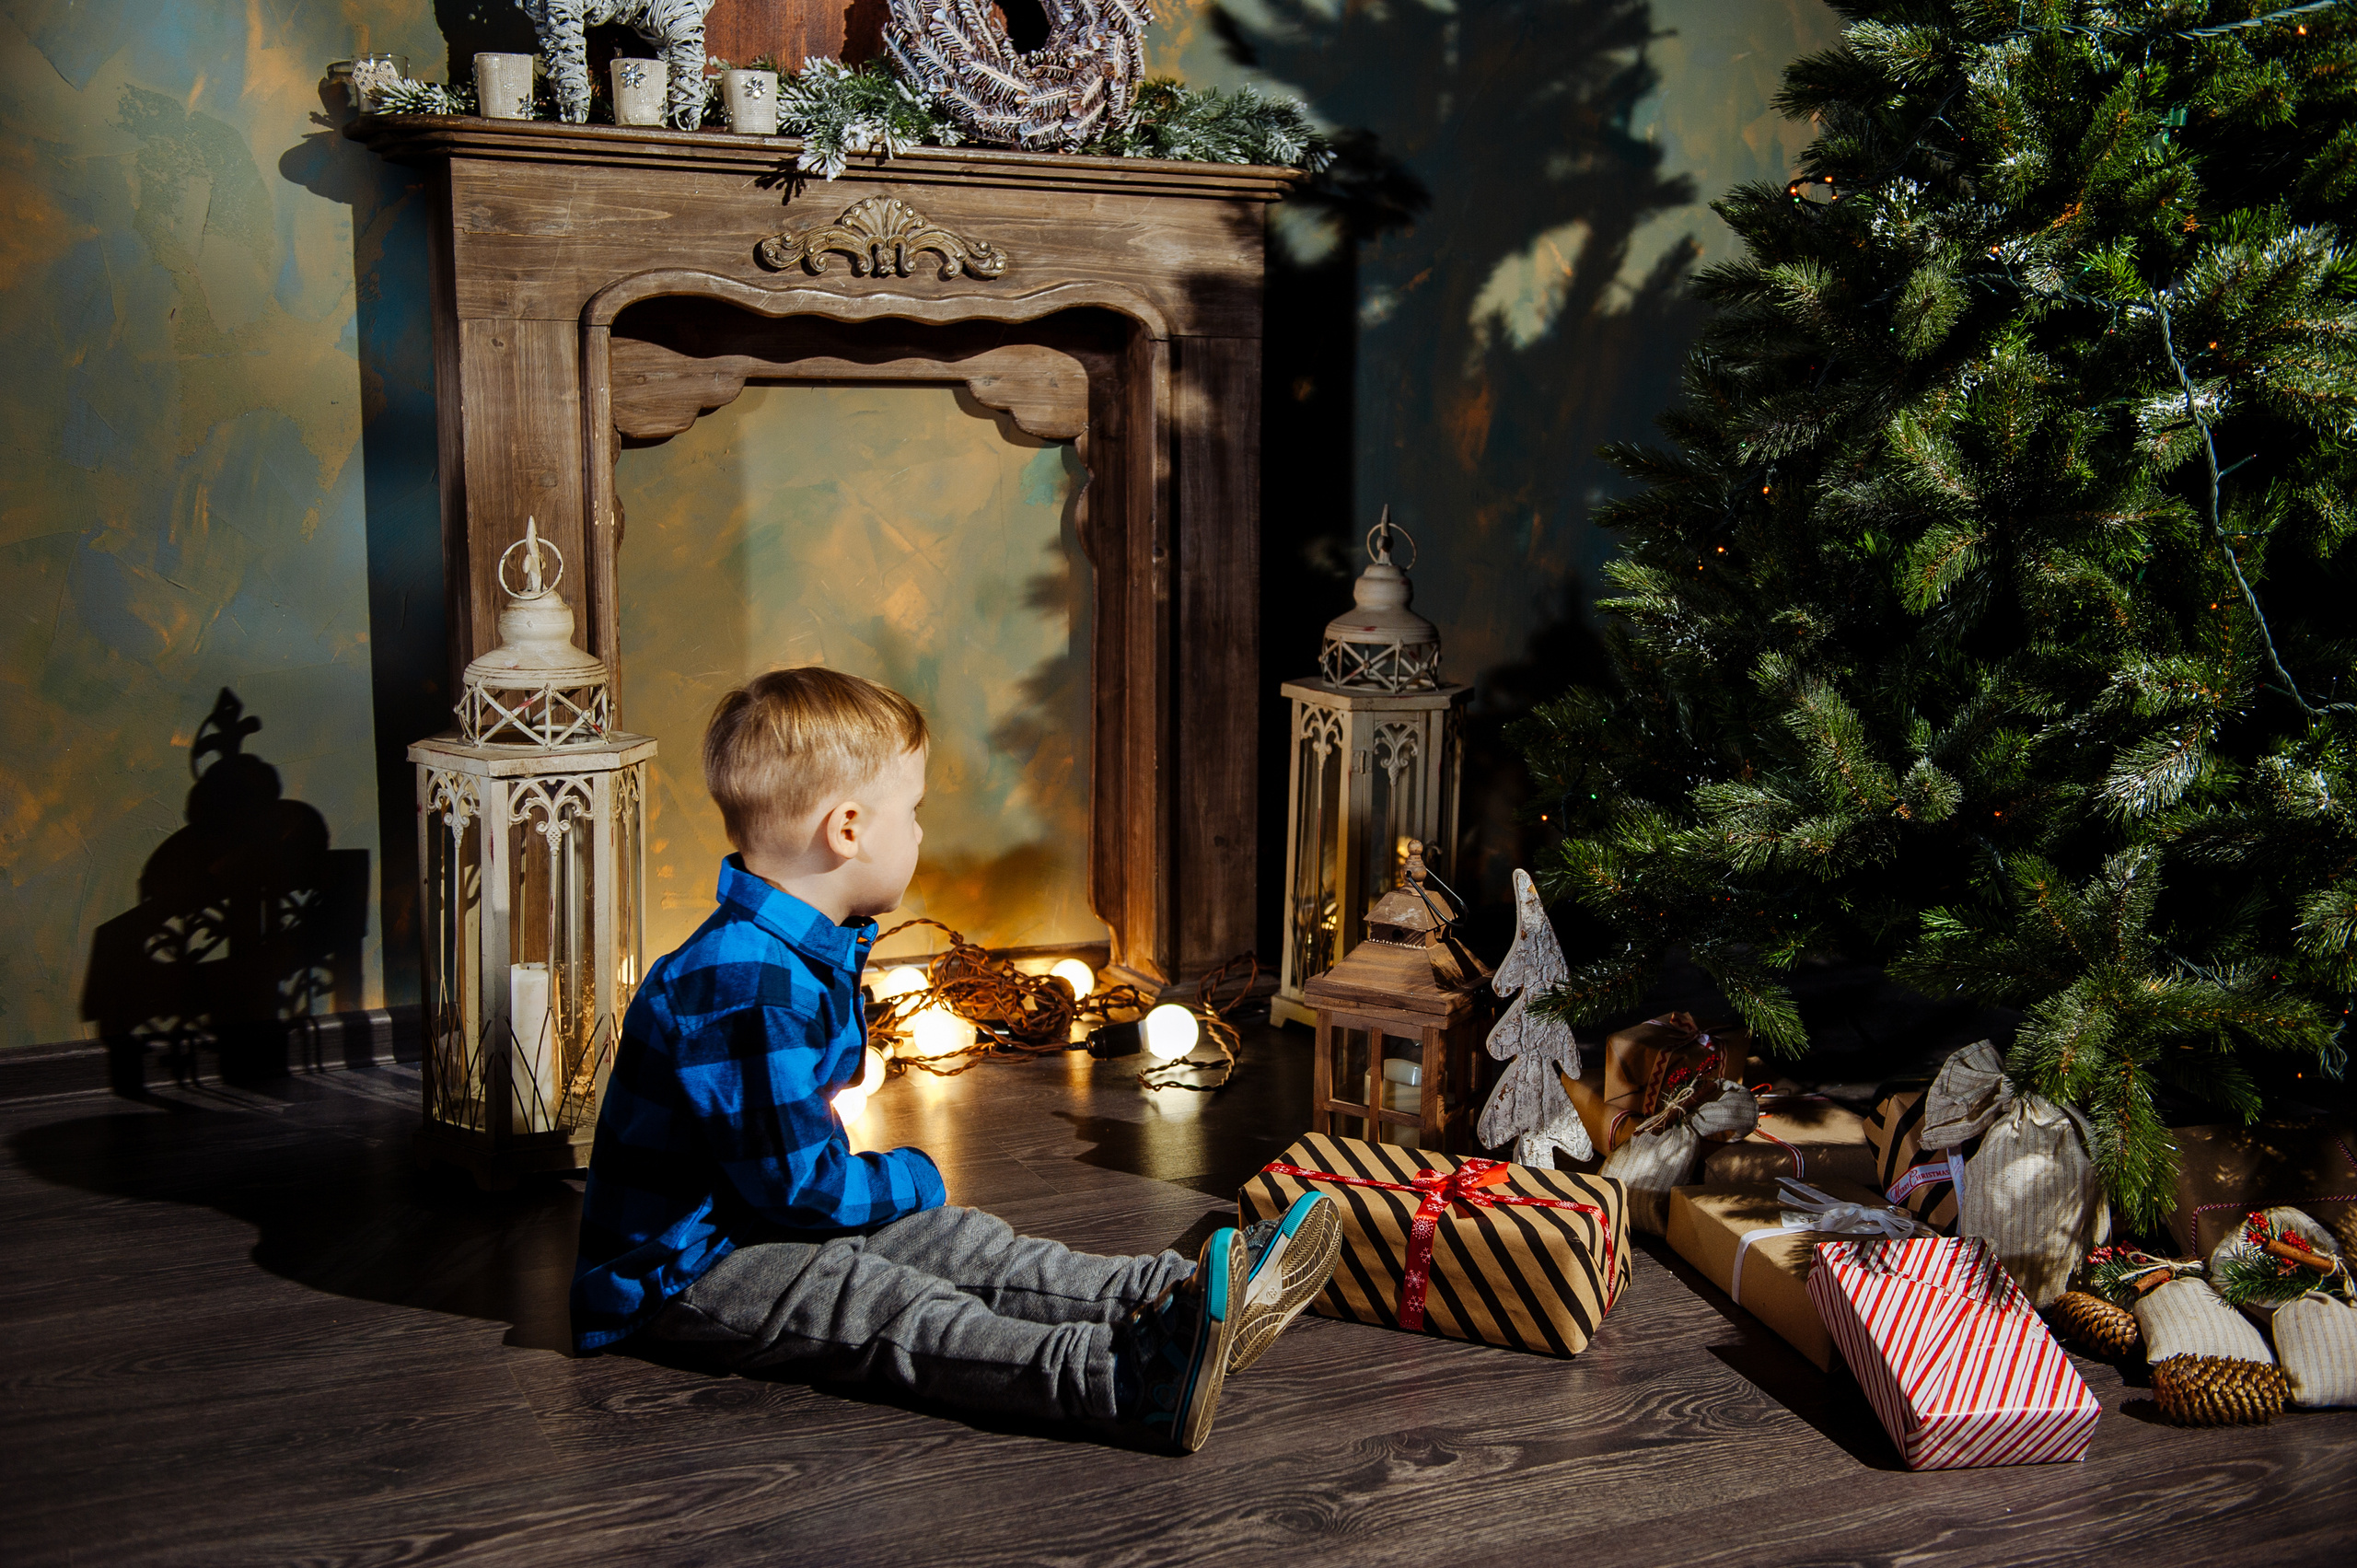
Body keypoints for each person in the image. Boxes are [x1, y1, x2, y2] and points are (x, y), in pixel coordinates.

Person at [571, 667, 1341, 1452]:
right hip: (687, 1269)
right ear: (847, 829)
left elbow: (796, 1186)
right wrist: (913, 1176)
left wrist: (908, 1205)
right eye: (911, 812)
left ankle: (1173, 1296)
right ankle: (1117, 1379)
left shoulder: (795, 950)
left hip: (765, 1219)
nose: (918, 833)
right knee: (878, 1302)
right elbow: (797, 1189)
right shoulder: (745, 983)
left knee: (960, 1243)